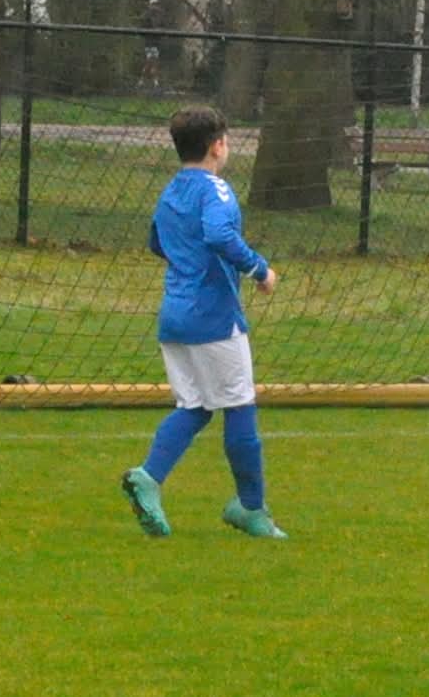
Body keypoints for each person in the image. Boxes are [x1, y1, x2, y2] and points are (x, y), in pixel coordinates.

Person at [119, 105, 287, 540]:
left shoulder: (172, 190)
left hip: (175, 314)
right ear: (217, 146)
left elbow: (157, 241)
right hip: (213, 316)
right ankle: (251, 507)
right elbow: (218, 234)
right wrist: (260, 270)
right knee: (240, 406)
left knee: (194, 407)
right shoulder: (216, 189)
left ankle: (148, 478)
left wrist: (188, 260)